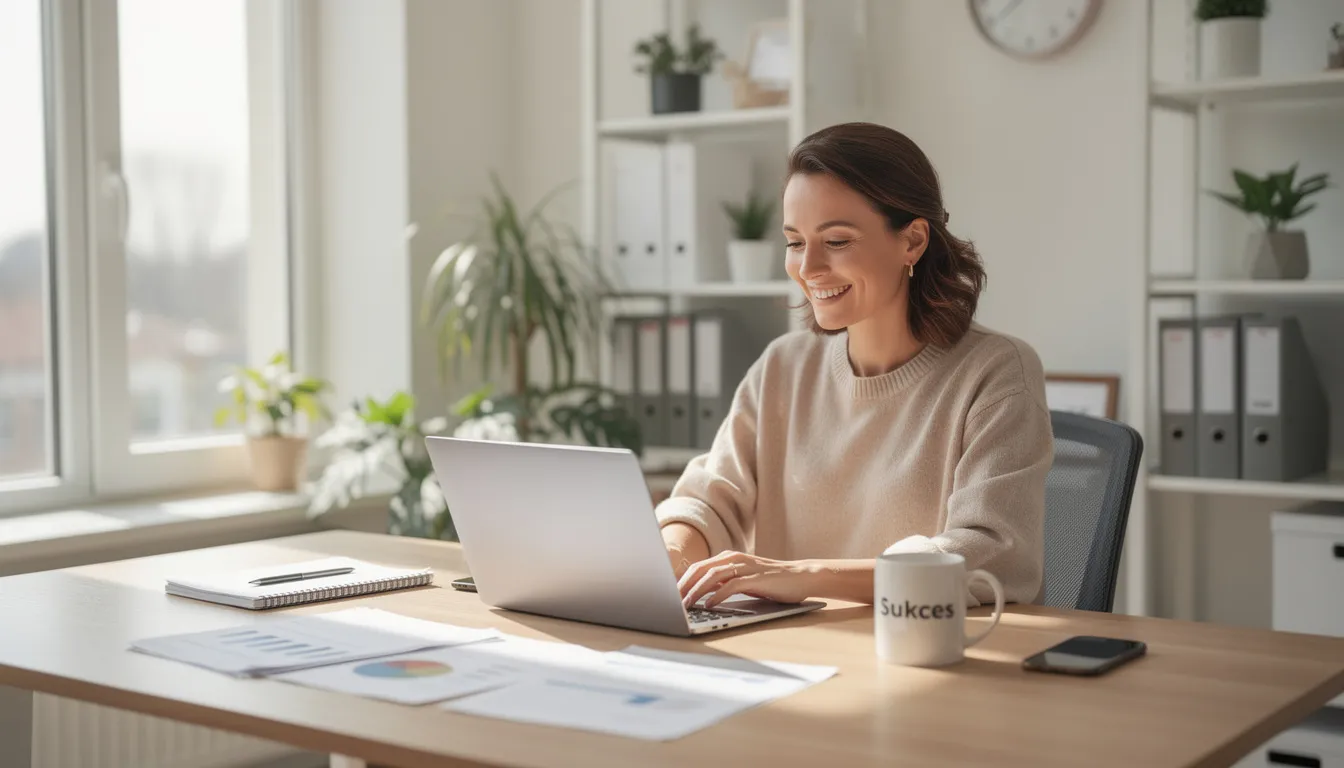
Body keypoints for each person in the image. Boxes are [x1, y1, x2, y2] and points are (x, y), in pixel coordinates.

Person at [657, 122, 1054, 611]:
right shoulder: (783, 367)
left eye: (837, 241)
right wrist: (674, 552)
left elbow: (987, 557)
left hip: (920, 660)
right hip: (792, 657)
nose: (808, 268)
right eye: (795, 242)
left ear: (912, 242)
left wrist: (801, 576)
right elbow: (708, 500)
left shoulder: (996, 373)